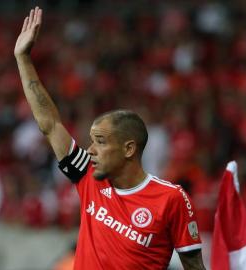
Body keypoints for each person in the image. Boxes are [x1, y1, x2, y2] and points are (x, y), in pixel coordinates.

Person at [14, 7, 206, 270]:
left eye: (101, 142)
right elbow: (50, 124)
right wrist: (23, 58)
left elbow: (194, 266)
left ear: (128, 148)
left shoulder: (171, 199)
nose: (90, 150)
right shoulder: (88, 178)